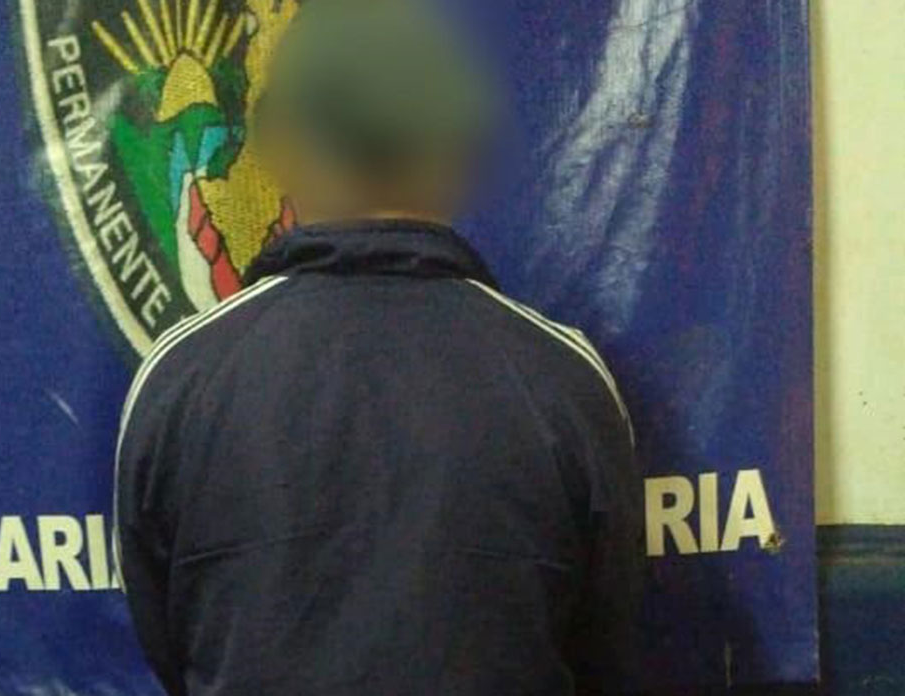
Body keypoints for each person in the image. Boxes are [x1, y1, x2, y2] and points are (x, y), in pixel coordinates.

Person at [115, 1, 642, 694]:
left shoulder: (181, 381)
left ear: (276, 146)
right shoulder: (563, 381)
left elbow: (171, 642)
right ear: (458, 146)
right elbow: (605, 647)